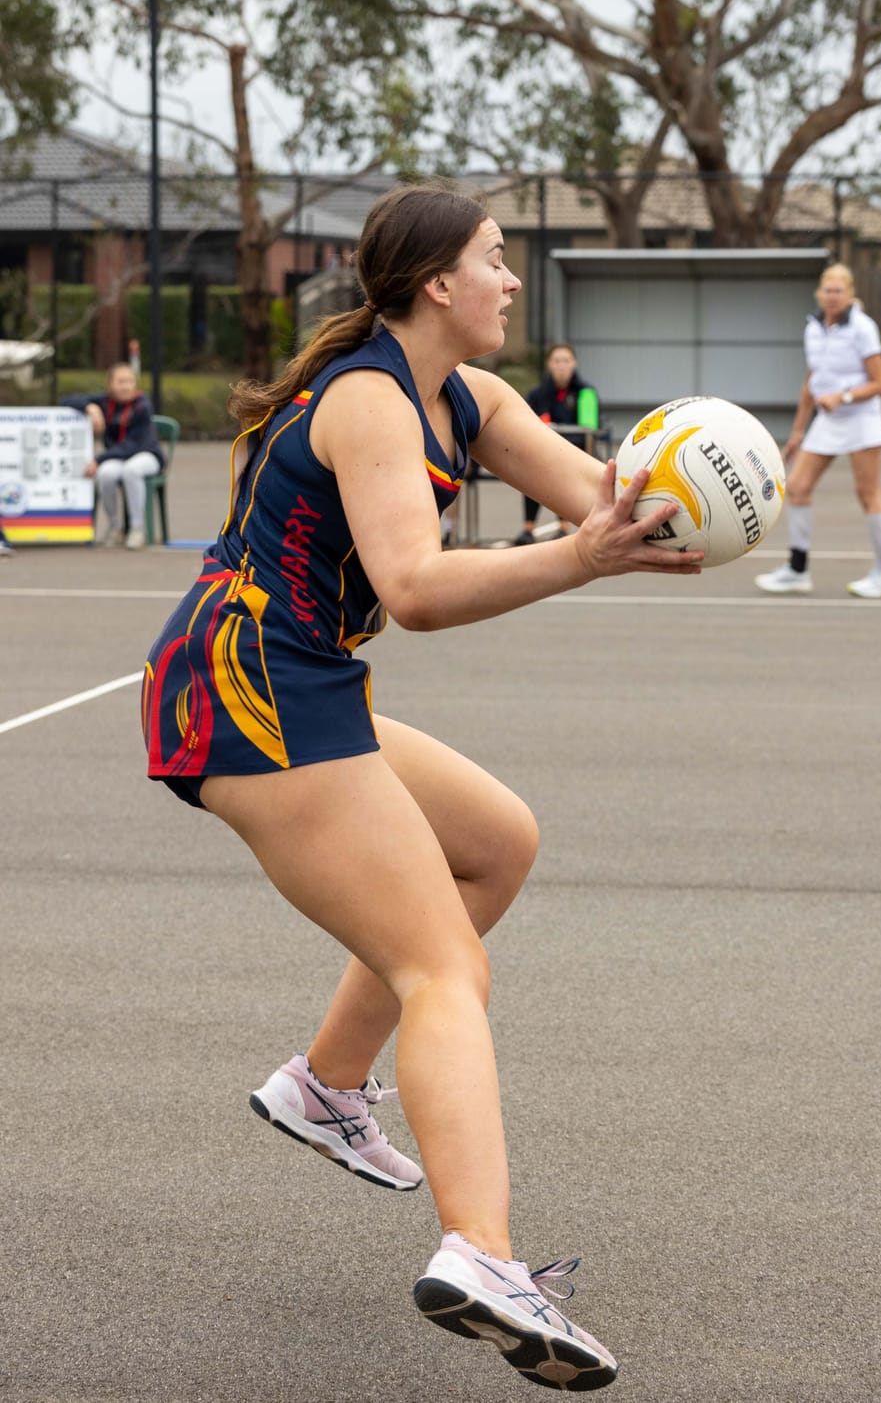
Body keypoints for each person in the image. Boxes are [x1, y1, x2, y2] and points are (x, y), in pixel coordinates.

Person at [141, 184, 702, 1393]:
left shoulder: (472, 397)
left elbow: (597, 499)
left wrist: (690, 493)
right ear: (437, 284)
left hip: (302, 677)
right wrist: (580, 561)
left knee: (496, 843)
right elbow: (419, 589)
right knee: (443, 966)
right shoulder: (367, 403)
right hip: (245, 681)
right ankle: (481, 1256)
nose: (512, 280)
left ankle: (326, 1085)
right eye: (496, 260)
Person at [755, 263, 881, 599]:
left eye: (839, 291)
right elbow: (811, 382)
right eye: (828, 290)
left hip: (862, 419)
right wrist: (797, 432)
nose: (832, 296)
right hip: (827, 422)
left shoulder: (863, 328)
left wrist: (844, 396)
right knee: (799, 487)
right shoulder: (814, 328)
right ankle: (797, 569)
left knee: (868, 494)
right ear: (820, 293)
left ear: (850, 294)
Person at [71, 363, 164, 550]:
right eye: (121, 381)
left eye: (130, 381)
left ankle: (137, 529)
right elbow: (67, 400)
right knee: (106, 473)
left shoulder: (142, 405)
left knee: (131, 470)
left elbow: (133, 444)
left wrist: (98, 459)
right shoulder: (105, 402)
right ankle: (115, 526)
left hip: (146, 455)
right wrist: (90, 407)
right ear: (110, 385)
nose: (126, 386)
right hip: (118, 457)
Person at [514, 343, 599, 544]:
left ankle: (564, 526)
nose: (561, 365)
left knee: (564, 470)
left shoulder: (586, 392)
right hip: (542, 451)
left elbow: (588, 429)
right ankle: (528, 528)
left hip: (577, 452)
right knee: (532, 470)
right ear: (549, 364)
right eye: (557, 361)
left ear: (574, 364)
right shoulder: (537, 394)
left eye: (566, 361)